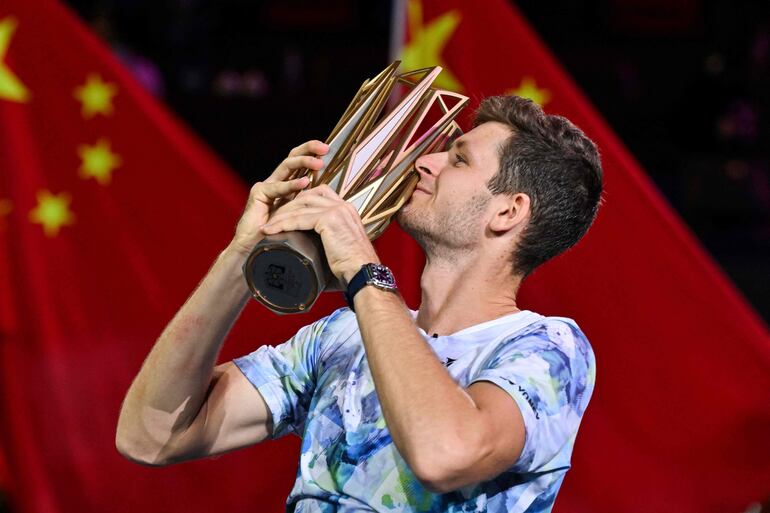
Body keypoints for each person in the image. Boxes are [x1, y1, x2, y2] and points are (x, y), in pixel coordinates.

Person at [116, 95, 603, 512]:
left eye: (458, 160)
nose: (424, 162)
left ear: (507, 211)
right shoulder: (342, 336)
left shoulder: (550, 349)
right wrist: (242, 254)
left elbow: (445, 453)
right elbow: (151, 436)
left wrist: (365, 272)